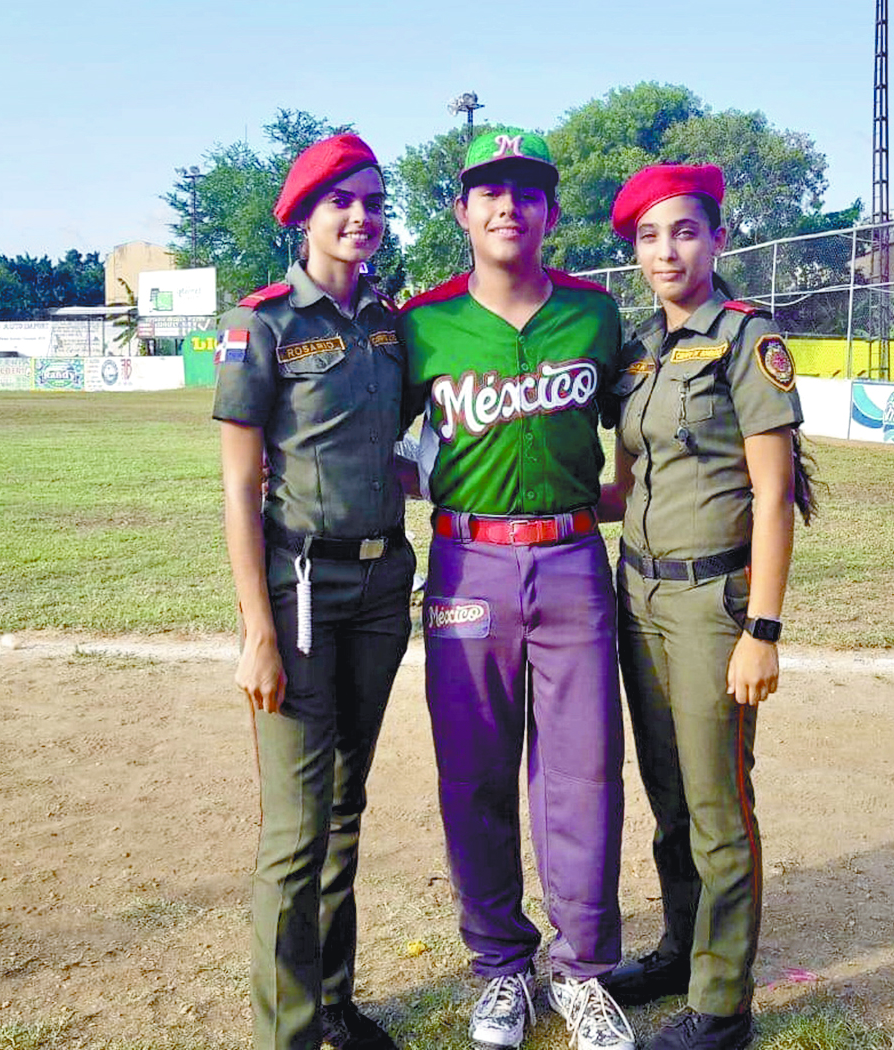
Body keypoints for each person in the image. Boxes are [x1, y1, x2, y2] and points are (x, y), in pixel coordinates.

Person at [398, 128, 635, 1050]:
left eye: (527, 192)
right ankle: (501, 968)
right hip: (467, 565)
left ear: (551, 212)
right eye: (490, 192)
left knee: (584, 774)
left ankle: (583, 974)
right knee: (474, 772)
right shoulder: (423, 323)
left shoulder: (593, 315)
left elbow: (638, 430)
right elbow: (381, 440)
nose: (508, 206)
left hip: (573, 560)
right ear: (462, 211)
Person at [596, 163, 816, 1050]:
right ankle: (681, 950)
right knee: (667, 792)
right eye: (649, 237)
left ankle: (722, 1008)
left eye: (684, 231)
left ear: (717, 238)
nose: (666, 251)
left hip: (711, 602)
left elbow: (774, 494)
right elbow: (624, 488)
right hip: (637, 591)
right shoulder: (640, 352)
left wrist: (762, 628)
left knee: (718, 804)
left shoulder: (747, 338)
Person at [213, 133, 415, 1050]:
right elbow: (239, 489)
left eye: (373, 201)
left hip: (382, 585)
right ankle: (286, 1035)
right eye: (341, 200)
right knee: (296, 832)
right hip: (299, 591)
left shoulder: (389, 322)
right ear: (303, 215)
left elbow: (403, 443)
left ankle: (333, 1002)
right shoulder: (262, 324)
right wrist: (257, 631)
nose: (360, 216)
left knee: (345, 804)